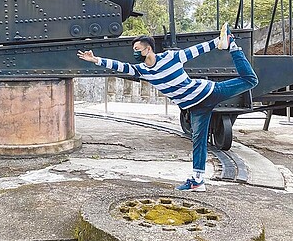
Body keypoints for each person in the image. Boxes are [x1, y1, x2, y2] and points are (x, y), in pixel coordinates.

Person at [77, 23, 258, 192]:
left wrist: (219, 42)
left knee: (250, 80)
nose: (135, 53)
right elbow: (121, 67)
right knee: (198, 140)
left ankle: (233, 47)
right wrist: (96, 60)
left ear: (148, 49)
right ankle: (197, 181)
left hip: (208, 92)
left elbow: (196, 50)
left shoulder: (171, 57)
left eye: (137, 49)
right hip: (195, 107)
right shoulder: (142, 70)